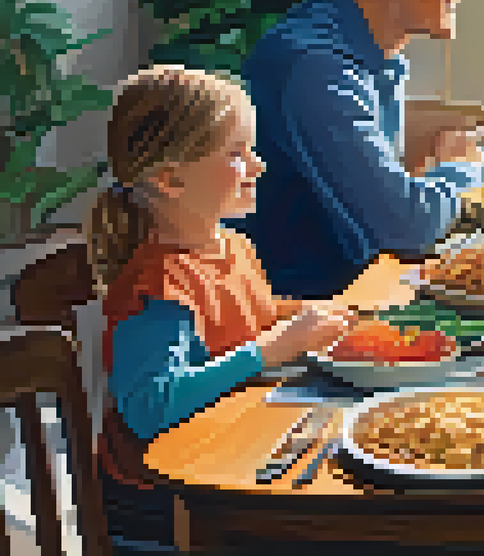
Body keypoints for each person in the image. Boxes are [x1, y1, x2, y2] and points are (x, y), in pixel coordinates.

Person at [87, 66, 355, 520]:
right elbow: (151, 407)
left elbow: (246, 317)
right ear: (171, 179)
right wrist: (271, 349)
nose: (258, 165)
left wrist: (309, 314)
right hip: (162, 499)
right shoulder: (159, 286)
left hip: (227, 453)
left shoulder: (233, 246)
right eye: (237, 153)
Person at [236, 0, 484, 299]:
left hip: (350, 291)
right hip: (302, 312)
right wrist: (459, 165)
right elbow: (406, 227)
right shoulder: (318, 66)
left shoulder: (358, 46)